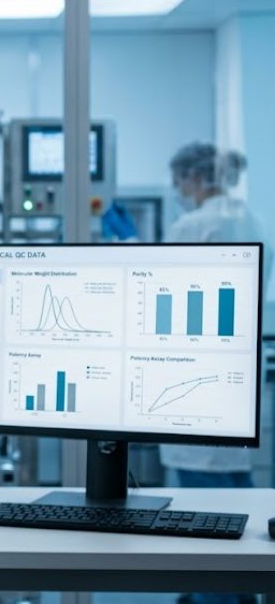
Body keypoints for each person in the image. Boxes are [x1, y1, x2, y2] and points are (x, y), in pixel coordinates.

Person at [104, 143, 266, 604]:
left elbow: (161, 285)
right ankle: (229, 592)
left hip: (194, 379)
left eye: (179, 182)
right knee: (242, 505)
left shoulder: (195, 224)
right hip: (233, 377)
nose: (179, 191)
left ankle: (214, 594)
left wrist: (129, 245)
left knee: (204, 510)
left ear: (194, 179)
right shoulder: (250, 219)